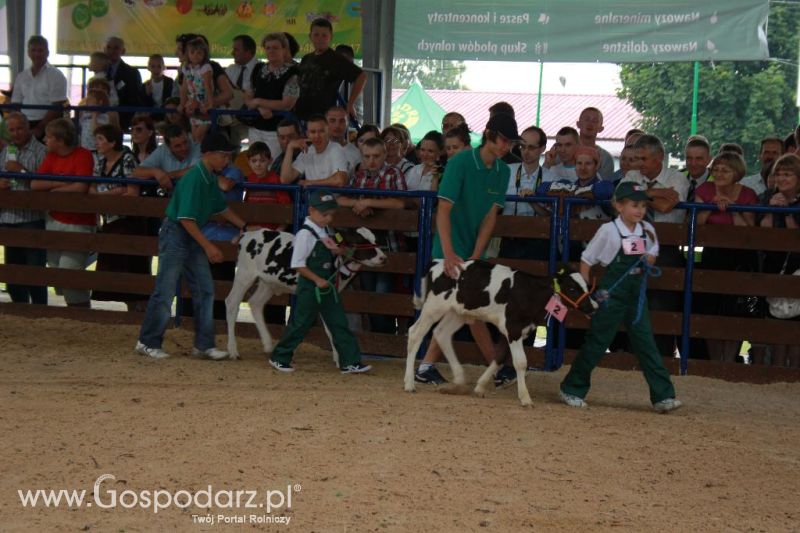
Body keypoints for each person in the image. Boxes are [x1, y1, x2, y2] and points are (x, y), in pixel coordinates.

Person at [414, 113, 520, 386]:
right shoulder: (460, 162)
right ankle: (495, 367)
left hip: (472, 248)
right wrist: (448, 253)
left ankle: (426, 366)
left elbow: (490, 216)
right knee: (470, 310)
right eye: (502, 140)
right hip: (449, 246)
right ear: (488, 134)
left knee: (462, 311)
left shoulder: (503, 171)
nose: (505, 147)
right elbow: (443, 210)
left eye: (509, 143)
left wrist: (476, 255)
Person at [559, 181, 683, 413]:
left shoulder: (647, 230)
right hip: (611, 294)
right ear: (619, 206)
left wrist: (647, 260)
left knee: (646, 343)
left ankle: (663, 396)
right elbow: (587, 260)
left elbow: (653, 256)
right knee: (597, 343)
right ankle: (572, 388)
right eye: (634, 205)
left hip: (636, 296)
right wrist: (588, 290)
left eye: (643, 205)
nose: (639, 210)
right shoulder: (608, 230)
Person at [136, 132, 248, 360]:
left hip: (188, 232)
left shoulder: (206, 176)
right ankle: (148, 341)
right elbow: (186, 218)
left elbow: (220, 207)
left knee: (204, 289)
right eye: (223, 156)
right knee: (166, 290)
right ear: (209, 154)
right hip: (180, 232)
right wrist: (208, 246)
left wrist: (245, 226)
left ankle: (203, 344)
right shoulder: (196, 178)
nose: (226, 161)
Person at [268, 189, 372, 374]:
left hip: (326, 285)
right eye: (325, 215)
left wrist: (337, 252)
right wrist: (317, 279)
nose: (328, 219)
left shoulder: (323, 231)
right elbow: (297, 264)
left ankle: (350, 361)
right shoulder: (304, 235)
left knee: (339, 322)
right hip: (312, 286)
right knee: (301, 323)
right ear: (311, 211)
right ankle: (280, 356)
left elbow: (329, 248)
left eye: (331, 215)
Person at [620, 134, 689, 358]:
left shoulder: (677, 178)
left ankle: (662, 357)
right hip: (634, 244)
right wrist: (652, 192)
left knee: (663, 305)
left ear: (659, 158)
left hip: (666, 248)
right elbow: (620, 201)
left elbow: (667, 207)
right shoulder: (632, 174)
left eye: (643, 159)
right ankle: (633, 355)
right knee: (632, 300)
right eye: (636, 158)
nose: (638, 163)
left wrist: (638, 195)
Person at [338, 137, 407, 334]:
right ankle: (378, 339)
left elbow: (401, 203)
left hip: (389, 245)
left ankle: (385, 338)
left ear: (385, 155)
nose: (371, 161)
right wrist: (357, 204)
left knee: (381, 294)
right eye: (367, 156)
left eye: (376, 156)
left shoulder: (394, 173)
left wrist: (368, 202)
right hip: (366, 248)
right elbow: (342, 199)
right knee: (370, 294)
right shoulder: (358, 176)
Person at [694, 152, 759, 362]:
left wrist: (732, 209)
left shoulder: (748, 194)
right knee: (710, 308)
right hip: (713, 255)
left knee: (735, 309)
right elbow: (695, 225)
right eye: (716, 169)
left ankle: (729, 360)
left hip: (740, 258)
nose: (719, 173)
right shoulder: (704, 190)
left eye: (725, 170)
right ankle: (715, 360)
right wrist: (710, 206)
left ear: (737, 172)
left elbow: (749, 231)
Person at [30, 118, 96, 308]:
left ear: (60, 140)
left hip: (78, 221)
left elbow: (81, 186)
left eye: (49, 137)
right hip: (54, 218)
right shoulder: (51, 157)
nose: (45, 140)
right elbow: (35, 184)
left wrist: (55, 189)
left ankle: (81, 312)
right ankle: (75, 311)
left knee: (69, 271)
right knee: (58, 271)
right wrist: (62, 183)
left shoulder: (83, 155)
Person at [88, 123, 150, 311]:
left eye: (100, 139)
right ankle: (134, 311)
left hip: (127, 222)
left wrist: (104, 195)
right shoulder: (100, 161)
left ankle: (142, 311)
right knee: (118, 272)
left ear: (112, 142)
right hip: (110, 221)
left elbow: (132, 192)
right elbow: (92, 187)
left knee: (132, 270)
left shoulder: (127, 159)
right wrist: (114, 192)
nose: (97, 143)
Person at [0, 112, 47, 304]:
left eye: (19, 128)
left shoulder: (41, 151)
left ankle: (40, 310)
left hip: (31, 218)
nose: (16, 133)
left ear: (28, 128)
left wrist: (18, 170)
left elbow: (43, 182)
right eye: (11, 130)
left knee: (35, 273)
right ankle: (21, 311)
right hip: (8, 217)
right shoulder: (5, 151)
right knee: (13, 275)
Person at [759, 153, 800, 368]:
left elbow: (795, 240)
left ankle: (794, 373)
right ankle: (774, 371)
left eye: (788, 174)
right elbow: (763, 232)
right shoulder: (767, 196)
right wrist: (769, 211)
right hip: (773, 263)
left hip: (797, 266)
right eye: (778, 174)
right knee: (774, 320)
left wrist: (787, 213)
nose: (782, 179)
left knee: (795, 324)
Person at [243, 141, 291, 325]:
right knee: (255, 281)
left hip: (272, 242)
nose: (258, 165)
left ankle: (276, 324)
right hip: (254, 241)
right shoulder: (249, 182)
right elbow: (245, 210)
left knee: (274, 281)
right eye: (254, 161)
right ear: (249, 162)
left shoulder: (276, 181)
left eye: (262, 161)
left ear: (269, 161)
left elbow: (285, 212)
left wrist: (277, 234)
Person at [294, 18, 366, 121]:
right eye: (316, 35)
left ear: (330, 37)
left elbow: (361, 76)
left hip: (323, 117)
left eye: (324, 35)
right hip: (301, 114)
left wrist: (350, 103)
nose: (320, 38)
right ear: (310, 37)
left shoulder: (336, 59)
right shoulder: (306, 58)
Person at [499, 125, 553, 261]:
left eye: (531, 147)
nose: (525, 152)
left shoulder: (551, 177)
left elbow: (551, 214)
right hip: (509, 237)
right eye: (522, 147)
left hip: (538, 240)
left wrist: (532, 201)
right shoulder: (506, 171)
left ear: (542, 149)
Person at [244, 32, 298, 156]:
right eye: (268, 48)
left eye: (275, 47)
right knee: (255, 164)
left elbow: (287, 104)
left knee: (273, 166)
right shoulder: (257, 68)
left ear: (284, 49)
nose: (271, 51)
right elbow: (247, 95)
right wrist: (259, 107)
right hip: (255, 128)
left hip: (278, 132)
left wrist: (258, 102)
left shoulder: (293, 73)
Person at [10, 36, 68, 140]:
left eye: (40, 50)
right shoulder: (21, 76)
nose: (37, 54)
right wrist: (19, 126)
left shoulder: (56, 75)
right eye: (33, 50)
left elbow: (57, 106)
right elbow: (16, 104)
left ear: (47, 53)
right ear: (28, 53)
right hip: (24, 124)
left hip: (49, 125)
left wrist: (40, 128)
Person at [132, 124, 201, 196]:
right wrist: (155, 172)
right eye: (178, 146)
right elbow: (136, 172)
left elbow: (198, 170)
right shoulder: (162, 150)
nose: (184, 148)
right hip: (170, 200)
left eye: (185, 142)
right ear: (169, 147)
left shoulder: (197, 147)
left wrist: (170, 175)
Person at [280, 114, 348, 187]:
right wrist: (290, 148)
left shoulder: (336, 149)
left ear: (328, 131)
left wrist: (311, 183)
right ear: (307, 134)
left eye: (321, 131)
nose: (317, 136)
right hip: (313, 197)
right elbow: (285, 180)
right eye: (313, 132)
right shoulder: (307, 151)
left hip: (331, 197)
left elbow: (340, 180)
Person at [179, 38, 214, 143]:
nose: (195, 55)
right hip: (192, 105)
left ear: (204, 54)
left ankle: (200, 157)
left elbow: (208, 86)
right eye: (192, 52)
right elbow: (184, 87)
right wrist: (182, 103)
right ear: (188, 54)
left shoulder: (205, 67)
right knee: (194, 137)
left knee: (199, 136)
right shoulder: (187, 69)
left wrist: (210, 103)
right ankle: (197, 158)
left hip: (204, 105)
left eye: (199, 53)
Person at [104, 36, 143, 130]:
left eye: (116, 48)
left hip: (123, 120)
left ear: (123, 51)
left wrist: (126, 120)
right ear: (104, 50)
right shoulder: (100, 71)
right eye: (108, 47)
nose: (112, 51)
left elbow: (135, 98)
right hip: (101, 119)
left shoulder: (132, 72)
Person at [576, 107, 614, 179]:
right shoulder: (565, 150)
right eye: (587, 119)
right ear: (578, 124)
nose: (590, 124)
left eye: (595, 121)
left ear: (601, 128)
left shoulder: (606, 158)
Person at [326, 106, 360, 173]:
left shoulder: (357, 154)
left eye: (342, 121)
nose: (337, 125)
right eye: (332, 121)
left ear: (347, 124)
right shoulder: (311, 151)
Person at [140, 54, 174, 120]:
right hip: (151, 117)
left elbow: (172, 100)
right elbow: (144, 105)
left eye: (159, 66)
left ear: (164, 67)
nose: (156, 69)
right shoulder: (145, 85)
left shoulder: (170, 82)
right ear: (148, 68)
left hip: (167, 116)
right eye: (153, 66)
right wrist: (147, 94)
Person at [682, 137, 712, 201]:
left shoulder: (719, 181)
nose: (693, 163)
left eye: (699, 159)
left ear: (709, 160)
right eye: (689, 158)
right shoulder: (676, 177)